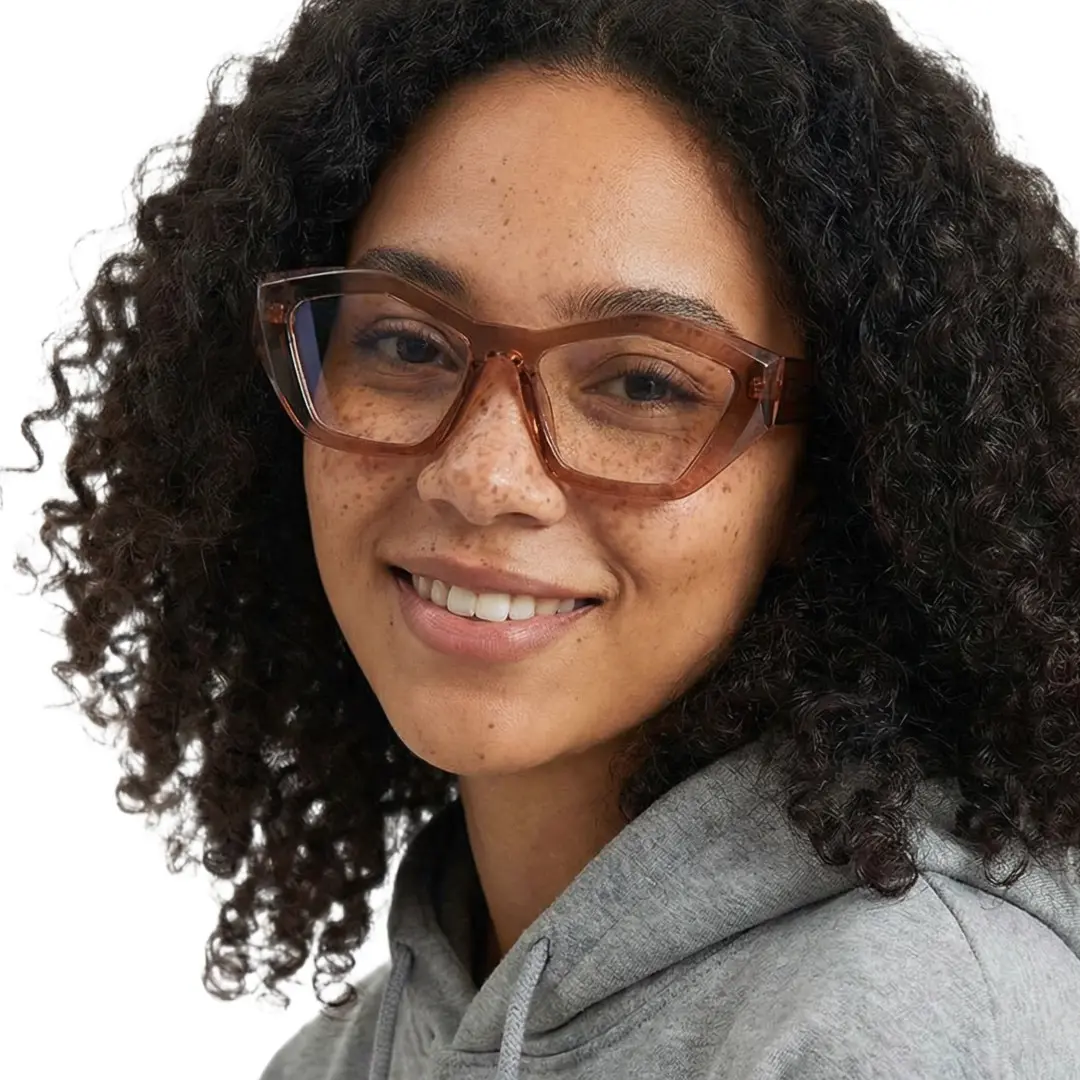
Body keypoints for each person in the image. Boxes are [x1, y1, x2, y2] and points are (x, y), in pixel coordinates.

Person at [12, 0, 1080, 1076]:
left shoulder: (897, 1025)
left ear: (834, 475)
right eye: (404, 342)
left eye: (643, 381)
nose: (479, 476)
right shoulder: (339, 1061)